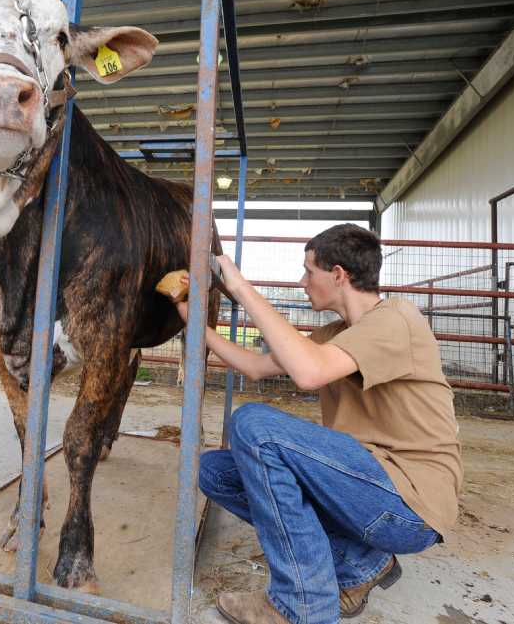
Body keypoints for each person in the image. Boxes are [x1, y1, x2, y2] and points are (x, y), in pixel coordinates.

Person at [172, 224, 462, 624]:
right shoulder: (336, 334)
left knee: (255, 425)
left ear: (339, 275)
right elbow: (257, 367)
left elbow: (308, 373)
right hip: (366, 486)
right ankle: (360, 565)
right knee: (217, 472)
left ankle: (300, 603)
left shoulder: (397, 318)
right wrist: (195, 325)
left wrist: (239, 286)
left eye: (309, 271)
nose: (302, 282)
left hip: (409, 502)